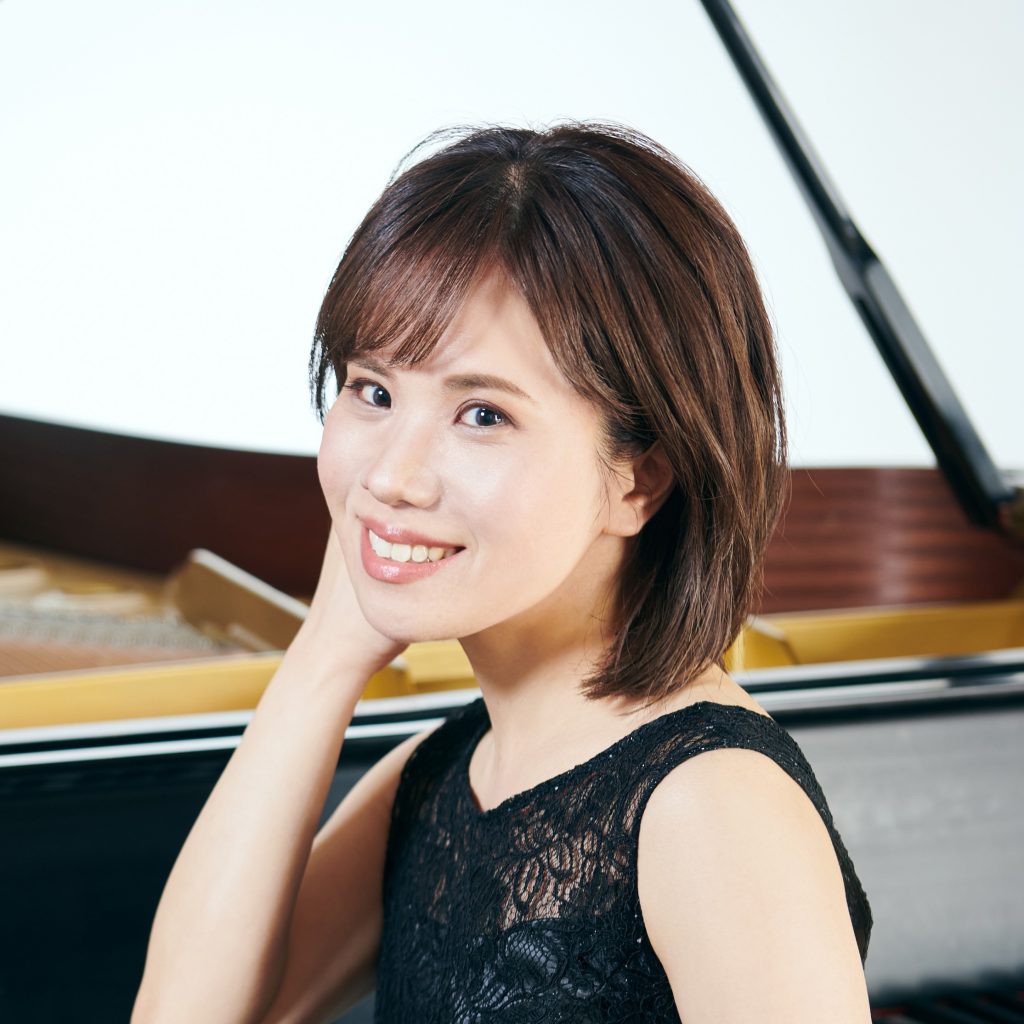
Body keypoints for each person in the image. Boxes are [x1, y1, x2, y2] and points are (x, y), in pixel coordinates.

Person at [131, 120, 873, 1024]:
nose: (392, 477)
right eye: (373, 391)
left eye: (482, 414)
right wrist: (327, 650)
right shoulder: (448, 772)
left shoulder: (713, 803)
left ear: (639, 479)